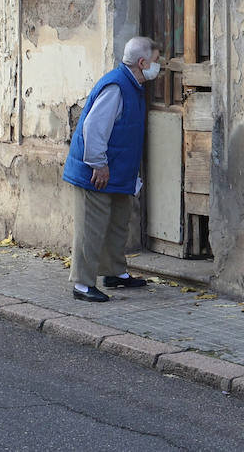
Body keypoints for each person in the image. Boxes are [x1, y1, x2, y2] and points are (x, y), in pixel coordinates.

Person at [62, 36, 161, 302]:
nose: (158, 66)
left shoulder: (132, 85)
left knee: (118, 223)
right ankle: (82, 284)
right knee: (91, 228)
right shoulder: (116, 86)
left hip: (117, 172)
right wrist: (98, 164)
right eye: (156, 61)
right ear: (142, 62)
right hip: (95, 172)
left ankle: (114, 273)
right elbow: (93, 128)